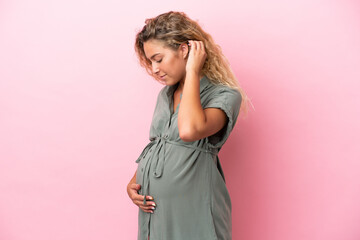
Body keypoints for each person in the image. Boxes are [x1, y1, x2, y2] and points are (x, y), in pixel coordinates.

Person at [127, 11, 250, 240]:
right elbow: (161, 145)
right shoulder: (165, 95)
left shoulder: (224, 95)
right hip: (157, 213)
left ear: (184, 51)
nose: (154, 69)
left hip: (195, 210)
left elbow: (189, 130)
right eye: (150, 61)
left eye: (158, 59)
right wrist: (135, 182)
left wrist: (193, 70)